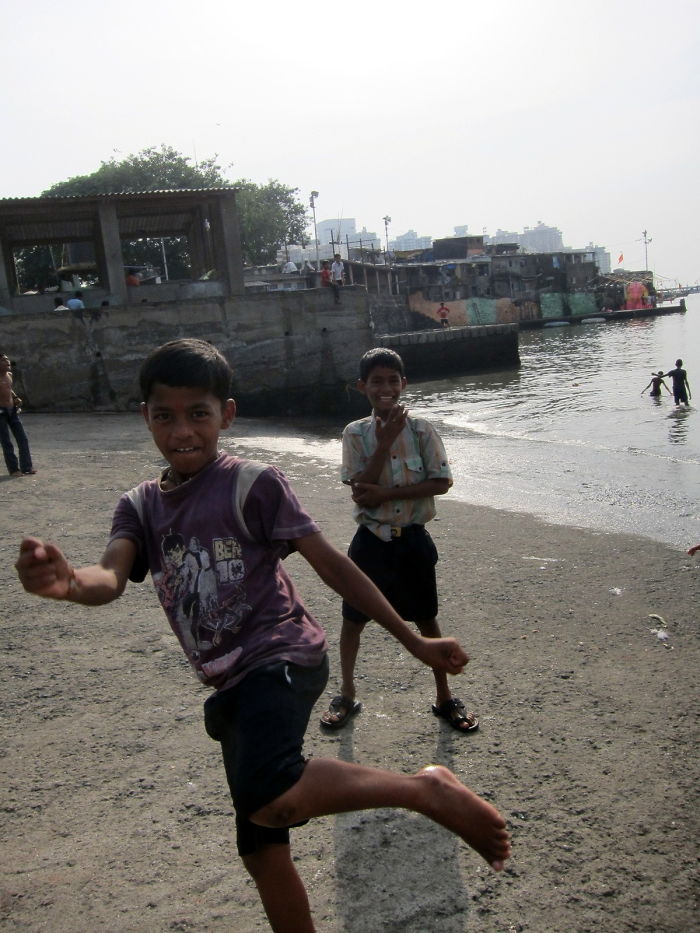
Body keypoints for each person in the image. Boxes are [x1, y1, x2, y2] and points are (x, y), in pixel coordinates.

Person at [14, 338, 510, 933]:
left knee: (273, 794)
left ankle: (424, 790)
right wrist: (68, 582)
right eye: (164, 415)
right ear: (143, 415)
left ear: (226, 414)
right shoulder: (140, 506)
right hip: (229, 683)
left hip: (282, 655)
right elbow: (110, 576)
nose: (182, 432)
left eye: (198, 413)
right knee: (262, 847)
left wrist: (413, 641)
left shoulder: (253, 483)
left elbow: (333, 564)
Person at [320, 347, 478, 735]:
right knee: (353, 620)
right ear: (363, 387)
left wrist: (386, 494)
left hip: (412, 540)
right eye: (377, 381)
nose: (385, 388)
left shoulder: (423, 430)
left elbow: (442, 482)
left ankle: (444, 698)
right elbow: (360, 490)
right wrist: (386, 440)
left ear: (404, 384)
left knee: (426, 618)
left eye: (393, 380)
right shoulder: (355, 433)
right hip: (370, 542)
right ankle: (347, 693)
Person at [0, 352, 36, 476]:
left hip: (12, 411)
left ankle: (26, 467)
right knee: (6, 442)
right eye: (4, 360)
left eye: (7, 359)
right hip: (1, 413)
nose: (7, 362)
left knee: (23, 439)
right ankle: (14, 469)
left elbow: (9, 389)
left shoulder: (9, 375)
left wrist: (15, 398)